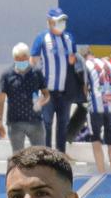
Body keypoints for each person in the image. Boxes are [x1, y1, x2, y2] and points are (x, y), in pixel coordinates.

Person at [31, 8, 78, 152]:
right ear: (50, 22)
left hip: (65, 92)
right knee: (46, 124)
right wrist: (34, 93)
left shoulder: (69, 38)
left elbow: (74, 62)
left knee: (63, 125)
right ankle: (46, 155)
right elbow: (33, 64)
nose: (62, 23)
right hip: (47, 91)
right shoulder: (41, 38)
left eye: (63, 20)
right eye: (59, 21)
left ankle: (60, 155)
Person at [0, 42, 47, 153]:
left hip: (35, 121)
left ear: (28, 57)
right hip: (15, 122)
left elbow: (46, 94)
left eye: (23, 58)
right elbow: (1, 100)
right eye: (17, 58)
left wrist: (40, 102)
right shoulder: (7, 75)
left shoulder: (36, 72)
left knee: (41, 156)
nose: (20, 61)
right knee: (18, 157)